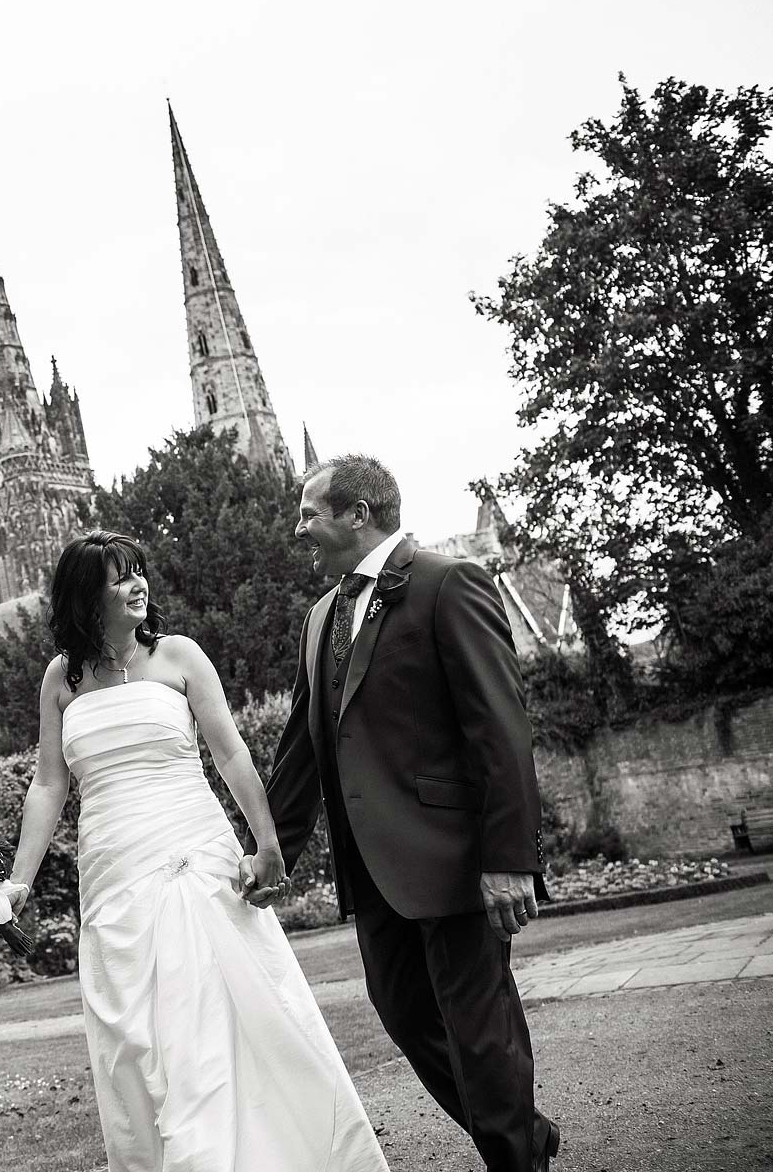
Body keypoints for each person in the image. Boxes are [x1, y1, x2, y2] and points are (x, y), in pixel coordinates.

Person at [4, 530, 388, 1172]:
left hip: (195, 856)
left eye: (139, 572)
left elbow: (231, 753)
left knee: (220, 1016)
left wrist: (268, 845)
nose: (137, 584)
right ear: (84, 594)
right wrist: (19, 879)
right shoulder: (60, 680)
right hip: (112, 872)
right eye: (119, 576)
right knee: (137, 1037)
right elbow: (49, 783)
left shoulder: (179, 656)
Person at [260, 454, 559, 1172]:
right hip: (373, 869)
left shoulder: (448, 584)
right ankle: (526, 1135)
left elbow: (500, 731)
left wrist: (509, 859)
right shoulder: (320, 617)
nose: (299, 526)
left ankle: (518, 1159)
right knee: (404, 1015)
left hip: (458, 860)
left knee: (480, 1031)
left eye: (310, 512)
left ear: (357, 513)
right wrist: (270, 848)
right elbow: (304, 747)